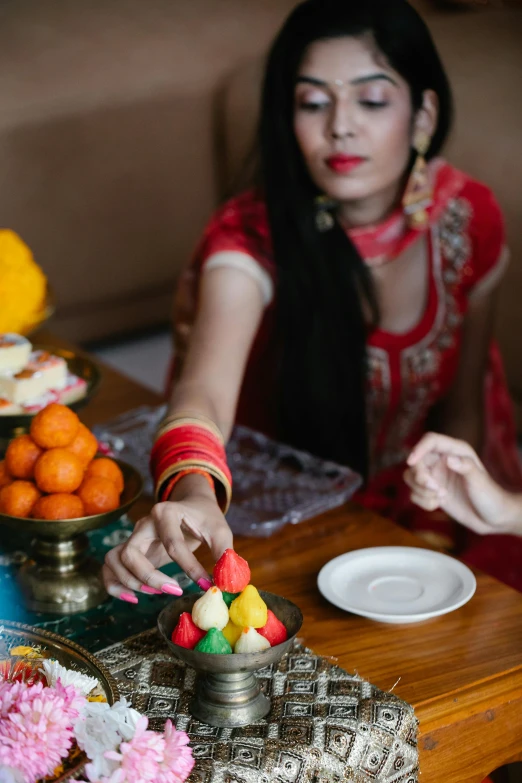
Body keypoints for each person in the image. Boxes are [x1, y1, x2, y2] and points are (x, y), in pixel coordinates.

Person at [103, 0, 521, 602]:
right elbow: (204, 392)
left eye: (371, 100)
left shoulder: (467, 219)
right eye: (314, 102)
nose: (340, 126)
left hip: (436, 513)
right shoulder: (249, 238)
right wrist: (194, 493)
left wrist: (435, 528)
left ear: (423, 114)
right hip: (282, 511)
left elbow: (464, 414)